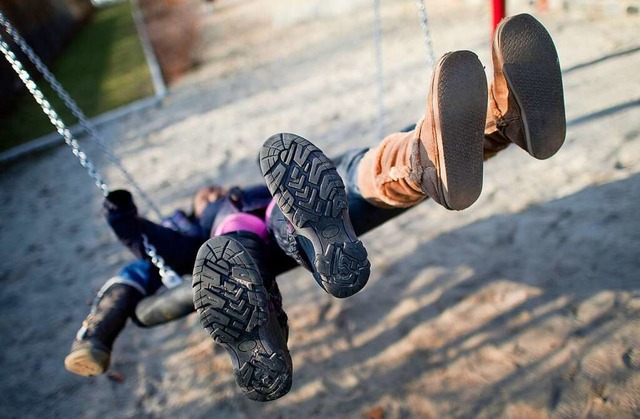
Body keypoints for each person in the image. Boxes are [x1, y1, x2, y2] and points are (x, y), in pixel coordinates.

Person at [66, 13, 565, 403]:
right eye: (205, 192)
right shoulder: (189, 225)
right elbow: (146, 254)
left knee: (326, 189)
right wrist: (123, 217)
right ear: (196, 203)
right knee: (238, 248)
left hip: (285, 214)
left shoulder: (248, 193)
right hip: (236, 252)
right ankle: (264, 320)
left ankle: (500, 116)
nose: (211, 189)